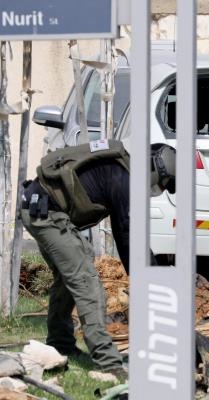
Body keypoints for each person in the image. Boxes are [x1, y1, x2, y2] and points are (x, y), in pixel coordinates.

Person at [20, 140, 176, 379]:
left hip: (39, 206)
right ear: (155, 169)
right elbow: (129, 239)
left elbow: (126, 237)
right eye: (161, 185)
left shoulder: (122, 173)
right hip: (44, 212)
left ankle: (60, 343)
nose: (157, 191)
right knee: (86, 281)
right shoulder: (125, 180)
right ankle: (109, 363)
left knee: (74, 269)